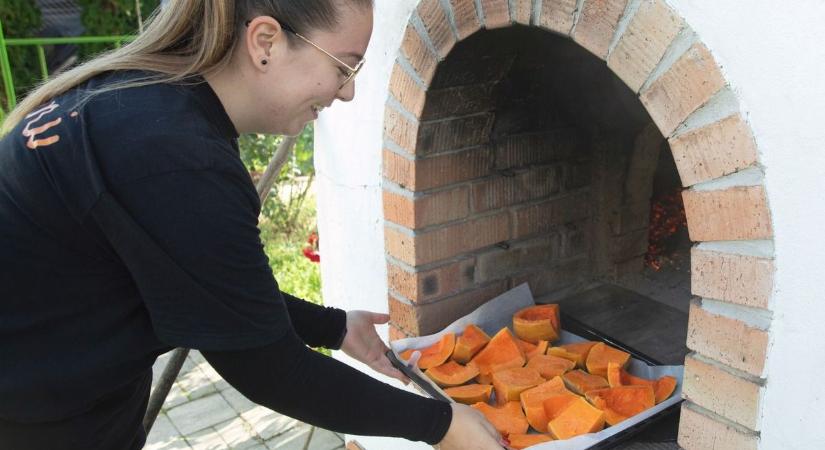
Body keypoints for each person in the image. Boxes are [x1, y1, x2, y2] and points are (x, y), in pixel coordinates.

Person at [0, 1, 504, 449]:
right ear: (266, 42)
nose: (348, 92)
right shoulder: (175, 157)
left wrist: (335, 327)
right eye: (343, 67)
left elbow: (211, 291)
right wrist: (441, 424)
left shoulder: (146, 108)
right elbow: (271, 369)